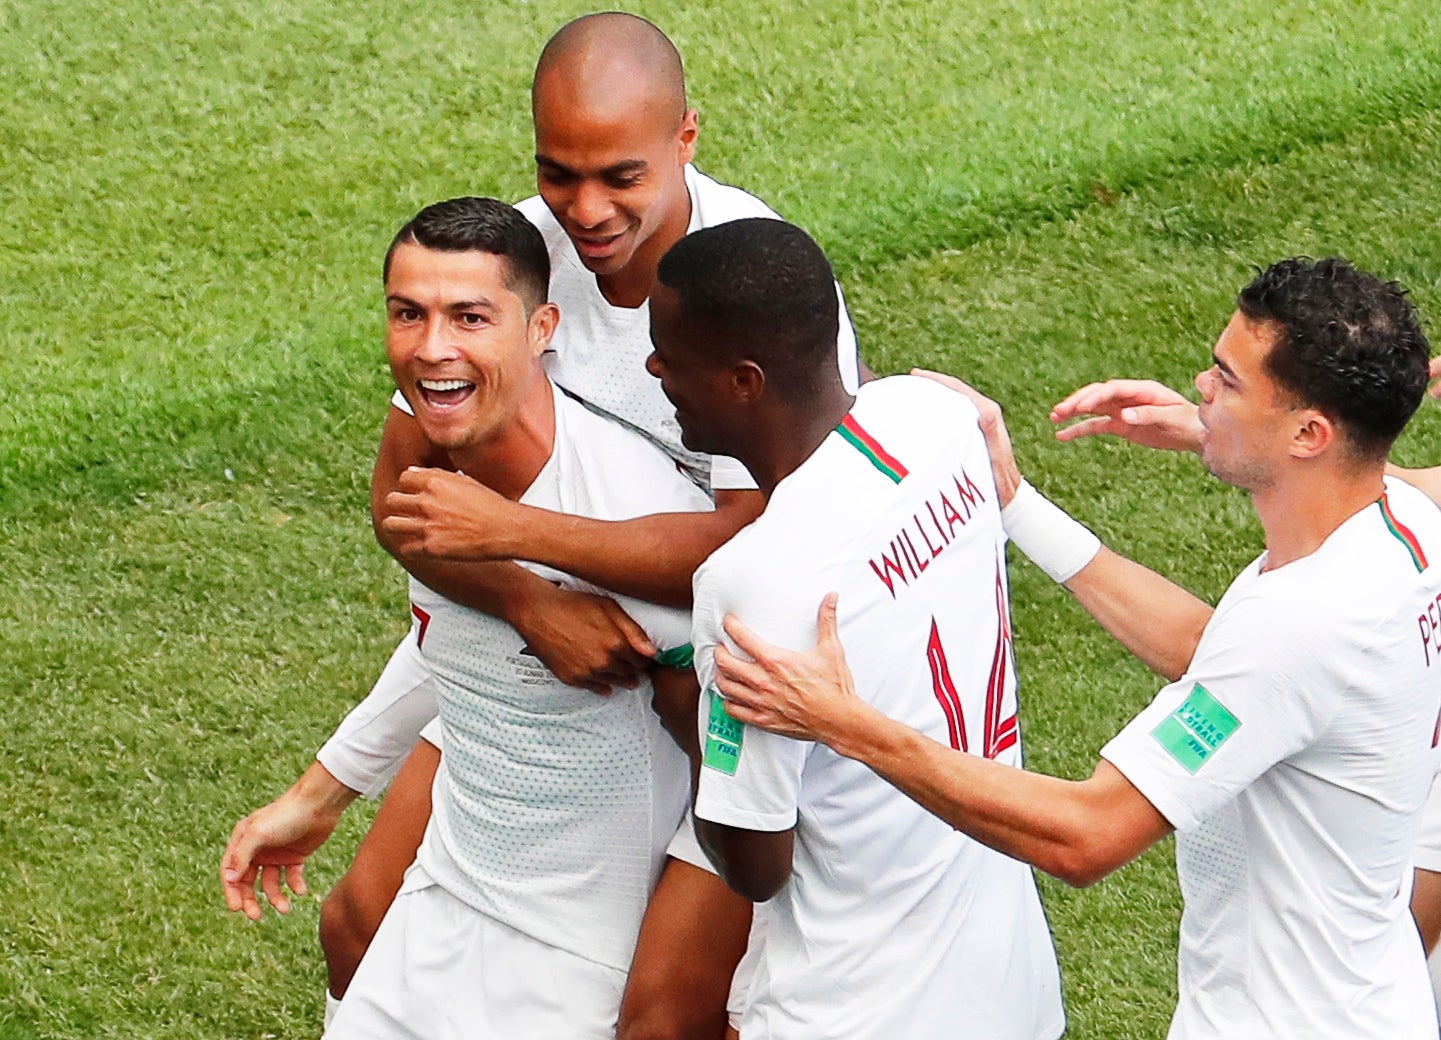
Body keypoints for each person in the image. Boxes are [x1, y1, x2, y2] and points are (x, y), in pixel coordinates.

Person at [220, 13, 859, 1034]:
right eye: (559, 172)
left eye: (620, 175)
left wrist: (525, 549)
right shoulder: (508, 262)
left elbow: (766, 545)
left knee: (663, 1014)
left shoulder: (752, 285)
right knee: (357, 920)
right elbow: (407, 504)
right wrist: (529, 600)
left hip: (718, 686)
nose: (586, 209)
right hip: (543, 663)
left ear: (685, 139)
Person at [712, 257, 1441, 1038]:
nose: (1198, 388)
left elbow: (1086, 835)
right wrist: (1016, 505)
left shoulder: (1305, 623)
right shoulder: (1399, 520)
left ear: (1308, 433)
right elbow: (1213, 651)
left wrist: (844, 724)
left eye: (1227, 382)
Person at [645, 217, 1065, 1039]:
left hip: (850, 1009)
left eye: (669, 352)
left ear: (743, 380)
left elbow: (753, 861)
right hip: (1007, 988)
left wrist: (688, 715)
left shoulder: (754, 582)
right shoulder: (935, 421)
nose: (655, 368)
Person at [319, 195, 717, 1037]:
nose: (431, 349)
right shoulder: (424, 494)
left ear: (542, 328)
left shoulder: (630, 523)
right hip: (435, 913)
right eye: (407, 314)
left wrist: (717, 987)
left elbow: (747, 762)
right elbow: (448, 654)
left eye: (469, 317)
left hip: (576, 969)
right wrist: (325, 785)